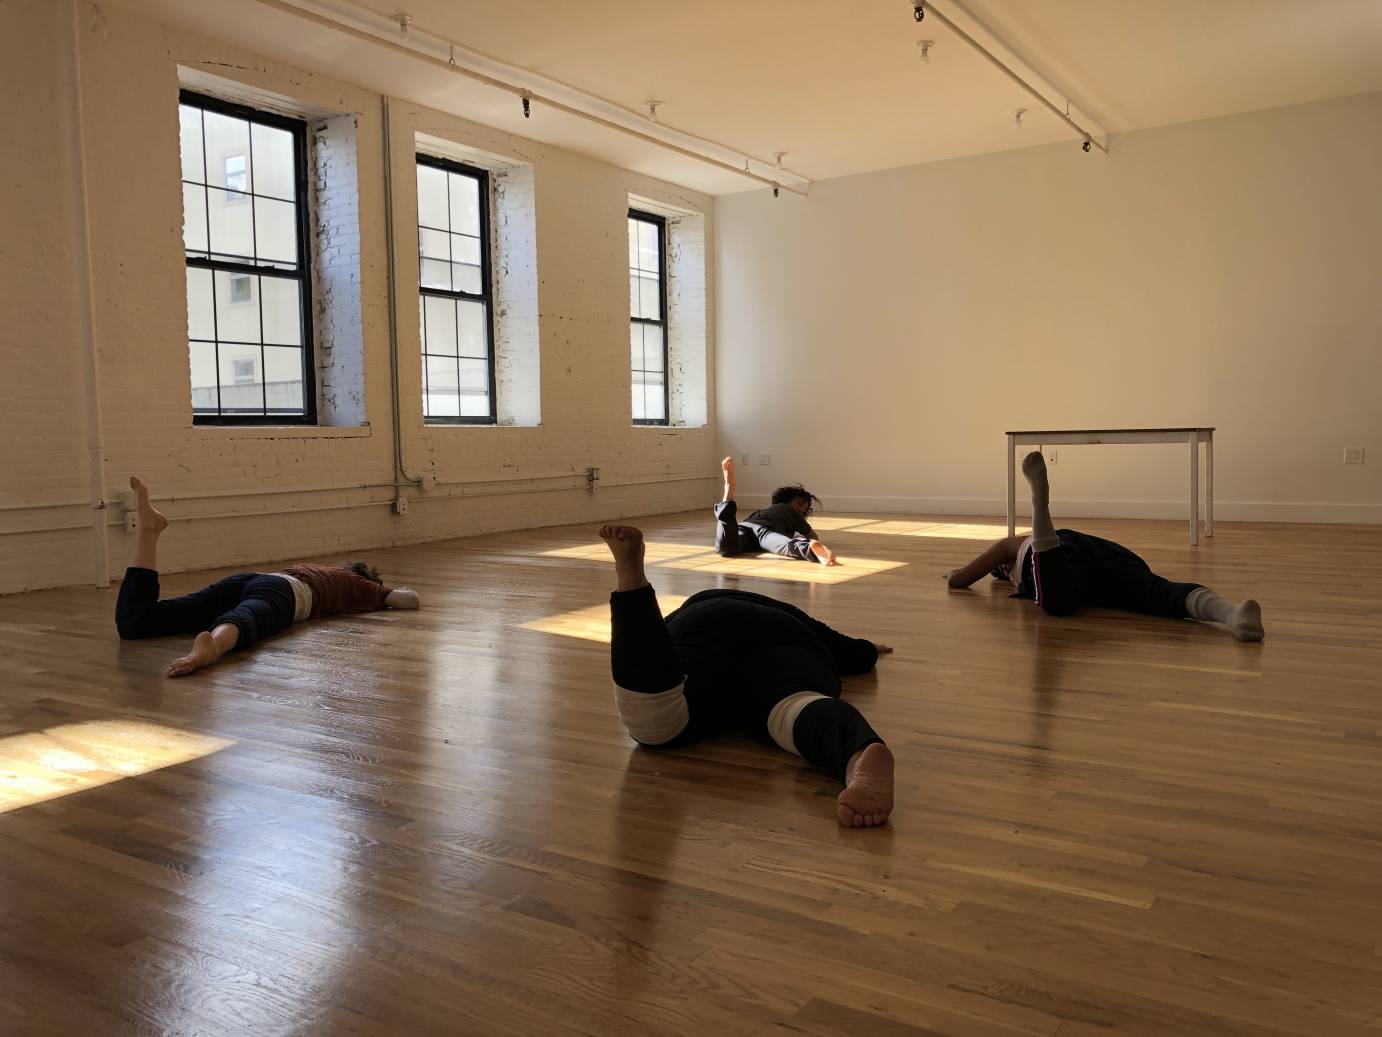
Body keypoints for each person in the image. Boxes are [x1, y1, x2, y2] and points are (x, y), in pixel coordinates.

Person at [601, 523, 894, 827]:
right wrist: (864, 650)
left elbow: (653, 646)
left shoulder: (697, 606)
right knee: (795, 705)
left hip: (703, 634)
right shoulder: (773, 609)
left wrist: (859, 651)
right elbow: (825, 636)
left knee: (655, 717)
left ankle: (630, 578)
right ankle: (858, 756)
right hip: (784, 640)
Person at [115, 477, 421, 677]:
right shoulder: (358, 584)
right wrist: (387, 590)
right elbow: (409, 601)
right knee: (249, 616)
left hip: (253, 579)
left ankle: (149, 531)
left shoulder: (321, 570)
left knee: (143, 621)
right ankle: (214, 648)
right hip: (286, 592)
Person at [945, 453, 1264, 642]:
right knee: (1156, 593)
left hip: (1062, 553)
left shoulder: (1012, 547)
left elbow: (961, 579)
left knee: (1055, 601)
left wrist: (956, 574)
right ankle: (1234, 613)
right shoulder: (1022, 563)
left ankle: (1039, 506)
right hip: (1108, 559)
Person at [713, 456, 839, 565]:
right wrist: (805, 536)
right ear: (786, 500)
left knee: (726, 549)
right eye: (800, 504)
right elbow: (813, 536)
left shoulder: (764, 511)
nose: (801, 510)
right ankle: (810, 550)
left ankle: (728, 497)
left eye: (804, 508)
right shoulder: (787, 509)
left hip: (746, 528)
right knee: (784, 544)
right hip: (766, 531)